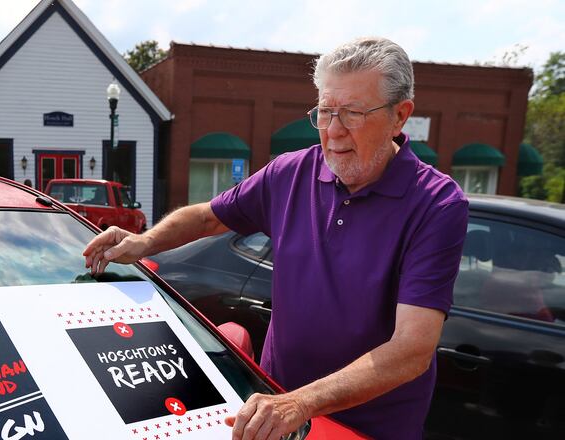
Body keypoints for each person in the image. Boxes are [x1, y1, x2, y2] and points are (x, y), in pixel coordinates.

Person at [83, 37, 468, 439]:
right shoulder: (290, 173)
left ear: (399, 116)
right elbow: (209, 217)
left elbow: (412, 350)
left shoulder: (436, 204)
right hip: (275, 414)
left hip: (367, 428)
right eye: (324, 112)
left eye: (352, 113)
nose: (333, 132)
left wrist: (301, 402)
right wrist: (144, 242)